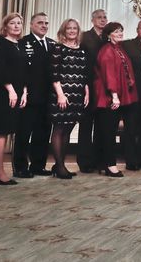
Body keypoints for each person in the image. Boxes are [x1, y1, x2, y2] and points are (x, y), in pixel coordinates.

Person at [0, 12, 28, 185]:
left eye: (19, 23)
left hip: (17, 93)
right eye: (13, 23)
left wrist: (24, 91)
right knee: (1, 132)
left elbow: (24, 71)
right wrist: (10, 89)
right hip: (3, 93)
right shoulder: (0, 43)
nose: (17, 26)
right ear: (5, 26)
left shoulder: (19, 44)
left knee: (8, 131)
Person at [93, 22, 138, 178]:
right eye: (117, 31)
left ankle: (103, 163)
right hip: (109, 98)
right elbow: (109, 75)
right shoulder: (106, 51)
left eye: (121, 30)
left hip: (120, 96)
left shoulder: (118, 49)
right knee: (108, 133)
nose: (120, 33)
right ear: (108, 35)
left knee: (107, 131)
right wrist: (114, 96)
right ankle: (110, 165)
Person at [48, 18, 91, 180]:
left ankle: (61, 164)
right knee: (59, 129)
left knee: (68, 129)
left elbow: (85, 73)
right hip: (61, 95)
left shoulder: (82, 49)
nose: (72, 31)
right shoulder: (57, 48)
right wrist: (60, 94)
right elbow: (54, 74)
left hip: (77, 95)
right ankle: (59, 166)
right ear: (63, 31)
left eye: (74, 28)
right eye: (69, 28)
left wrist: (86, 92)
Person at [14, 13, 54, 178]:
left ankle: (38, 165)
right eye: (40, 23)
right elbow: (21, 71)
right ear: (31, 25)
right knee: (24, 133)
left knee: (43, 133)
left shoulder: (52, 44)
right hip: (29, 96)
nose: (44, 25)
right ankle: (20, 167)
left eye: (46, 23)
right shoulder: (23, 43)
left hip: (47, 97)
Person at [121, 20, 141, 171]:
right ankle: (131, 160)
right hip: (132, 92)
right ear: (137, 29)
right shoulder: (127, 45)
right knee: (131, 128)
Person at [77, 9, 107, 173]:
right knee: (86, 124)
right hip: (87, 84)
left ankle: (98, 160)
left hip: (103, 86)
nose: (102, 20)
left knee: (101, 125)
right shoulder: (85, 36)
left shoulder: (107, 37)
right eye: (99, 17)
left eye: (104, 17)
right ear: (92, 20)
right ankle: (84, 161)